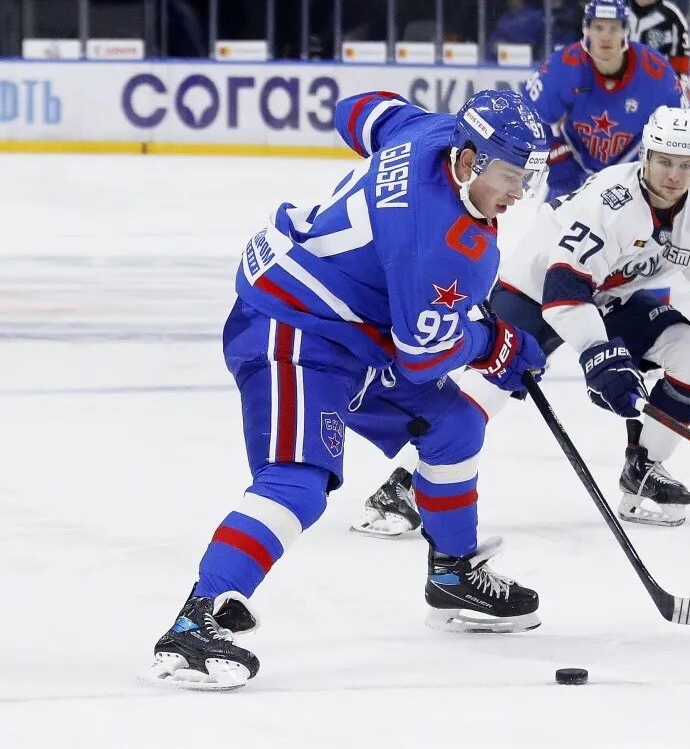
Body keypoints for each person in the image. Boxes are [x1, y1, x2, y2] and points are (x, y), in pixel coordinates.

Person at [144, 90, 552, 689]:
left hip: (350, 327)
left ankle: (452, 574)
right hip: (293, 326)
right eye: (511, 176)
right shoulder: (441, 246)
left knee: (454, 425)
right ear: (468, 161)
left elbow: (359, 109)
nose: (518, 193)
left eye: (529, 176)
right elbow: (425, 357)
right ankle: (197, 618)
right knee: (298, 482)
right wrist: (495, 343)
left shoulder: (429, 131)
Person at [486, 107, 690, 527]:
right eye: (665, 161)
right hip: (536, 287)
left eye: (685, 165)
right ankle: (414, 484)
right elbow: (565, 291)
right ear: (646, 157)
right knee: (486, 384)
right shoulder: (611, 199)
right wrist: (600, 353)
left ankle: (644, 468)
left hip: (608, 297)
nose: (674, 175)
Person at [525, 0, 684, 203]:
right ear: (586, 30)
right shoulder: (564, 66)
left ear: (625, 31)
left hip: (635, 180)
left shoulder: (655, 72)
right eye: (598, 27)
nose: (606, 37)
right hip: (573, 176)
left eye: (613, 28)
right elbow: (527, 115)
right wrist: (557, 156)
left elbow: (683, 131)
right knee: (552, 234)